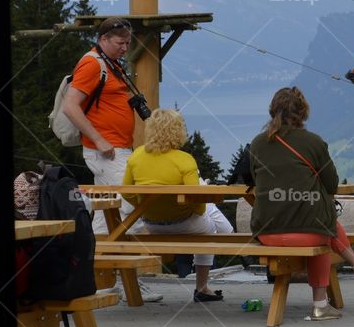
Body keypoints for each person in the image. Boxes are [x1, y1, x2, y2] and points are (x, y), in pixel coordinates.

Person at [249, 87, 354, 321]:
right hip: (310, 233)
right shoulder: (313, 142)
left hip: (266, 231)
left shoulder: (258, 143)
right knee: (322, 223)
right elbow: (331, 184)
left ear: (272, 110)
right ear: (302, 112)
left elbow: (255, 179)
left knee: (320, 222)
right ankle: (324, 300)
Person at [60, 17, 163, 302]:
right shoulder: (93, 63)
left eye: (128, 42)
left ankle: (99, 280)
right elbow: (71, 106)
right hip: (106, 150)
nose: (125, 47)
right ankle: (126, 280)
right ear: (104, 39)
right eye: (120, 43)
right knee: (130, 209)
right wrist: (100, 139)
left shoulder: (110, 62)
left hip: (117, 149)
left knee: (108, 217)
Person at [122, 108, 232, 302]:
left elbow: (127, 192)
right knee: (211, 228)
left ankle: (226, 232)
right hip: (185, 222)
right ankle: (202, 287)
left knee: (210, 215)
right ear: (177, 131)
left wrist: (142, 206)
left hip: (151, 223)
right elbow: (197, 200)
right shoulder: (184, 160)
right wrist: (199, 211)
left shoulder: (136, 156)